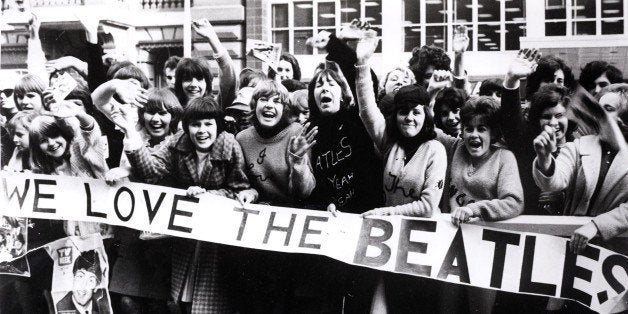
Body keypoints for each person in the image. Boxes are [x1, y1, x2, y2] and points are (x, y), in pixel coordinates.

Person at [120, 96, 254, 313]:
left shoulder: (229, 144)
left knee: (212, 303)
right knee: (182, 299)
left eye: (208, 124)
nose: (202, 131)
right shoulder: (178, 141)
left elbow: (239, 190)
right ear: (186, 127)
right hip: (186, 237)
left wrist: (208, 195)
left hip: (216, 239)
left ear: (217, 126)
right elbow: (150, 171)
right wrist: (130, 131)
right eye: (195, 124)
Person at [354, 34, 447, 313]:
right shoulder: (389, 143)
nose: (409, 117)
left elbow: (428, 206)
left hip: (423, 246)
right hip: (389, 243)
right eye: (403, 112)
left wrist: (384, 212)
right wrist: (362, 64)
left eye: (416, 112)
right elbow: (367, 110)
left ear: (426, 115)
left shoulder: (435, 150)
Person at [533, 88, 628, 313]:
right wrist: (544, 160)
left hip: (614, 261)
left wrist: (597, 225)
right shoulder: (577, 146)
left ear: (624, 118)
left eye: (607, 110)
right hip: (573, 254)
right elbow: (555, 182)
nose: (595, 114)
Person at [436, 96, 524, 314]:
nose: (474, 134)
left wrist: (474, 210)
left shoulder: (504, 157)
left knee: (480, 310)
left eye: (481, 128)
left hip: (485, 249)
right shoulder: (454, 147)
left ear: (492, 133)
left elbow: (514, 202)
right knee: (446, 309)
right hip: (450, 246)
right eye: (469, 128)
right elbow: (426, 125)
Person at [234, 79, 316, 313]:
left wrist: (299, 162)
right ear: (254, 105)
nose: (270, 105)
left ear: (285, 108)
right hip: (257, 231)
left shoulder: (297, 133)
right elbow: (240, 182)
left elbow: (304, 192)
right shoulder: (242, 138)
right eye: (263, 99)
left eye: (277, 101)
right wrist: (249, 191)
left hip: (290, 231)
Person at [501, 49, 577, 215]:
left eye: (559, 115)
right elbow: (511, 121)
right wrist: (511, 78)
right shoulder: (527, 141)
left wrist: (563, 195)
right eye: (546, 117)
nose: (553, 123)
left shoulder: (579, 145)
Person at [174, 19, 236, 108]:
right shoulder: (172, 113)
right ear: (179, 83)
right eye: (187, 79)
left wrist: (212, 38)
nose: (194, 84)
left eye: (199, 79)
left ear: (207, 83)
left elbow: (229, 80)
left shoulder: (215, 108)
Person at [55, 250, 110, 314]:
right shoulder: (57, 309)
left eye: (91, 280)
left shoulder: (105, 310)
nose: (83, 285)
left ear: (96, 287)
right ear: (73, 278)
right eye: (80, 276)